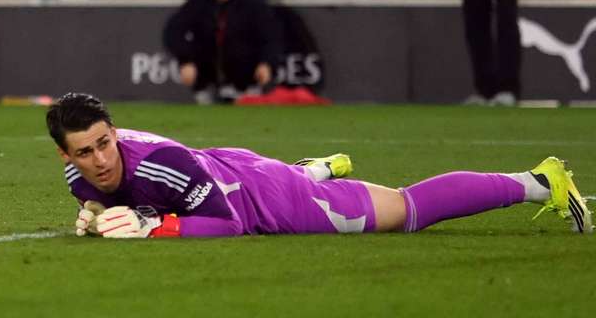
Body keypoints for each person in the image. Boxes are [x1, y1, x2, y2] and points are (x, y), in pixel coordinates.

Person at [49, 93, 591, 238]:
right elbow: (109, 196)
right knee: (278, 175)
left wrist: (156, 228)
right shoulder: (80, 176)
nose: (98, 159)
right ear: (65, 155)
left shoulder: (160, 162)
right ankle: (316, 168)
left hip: (264, 199)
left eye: (104, 144)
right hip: (232, 170)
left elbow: (227, 225)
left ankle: (539, 181)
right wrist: (96, 211)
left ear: (115, 133)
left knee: (406, 210)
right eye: (84, 152)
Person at [163, 0, 281, 103]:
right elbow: (173, 31)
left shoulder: (253, 3)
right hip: (207, 81)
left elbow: (271, 36)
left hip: (247, 81)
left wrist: (267, 63)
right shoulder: (197, 3)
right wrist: (185, 60)